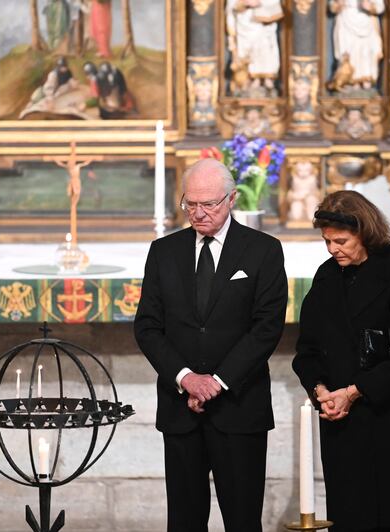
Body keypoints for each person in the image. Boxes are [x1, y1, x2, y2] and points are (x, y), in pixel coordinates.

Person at [134, 158, 288, 532]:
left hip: (239, 406)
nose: (199, 214)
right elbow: (148, 326)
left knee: (242, 519)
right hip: (181, 410)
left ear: (231, 199)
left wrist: (216, 382)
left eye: (209, 205)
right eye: (191, 204)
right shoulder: (164, 252)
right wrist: (187, 379)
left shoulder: (263, 250)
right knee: (184, 521)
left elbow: (266, 328)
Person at [292, 190, 390, 532]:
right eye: (327, 241)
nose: (332, 249)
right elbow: (307, 350)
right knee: (348, 517)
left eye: (340, 241)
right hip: (341, 420)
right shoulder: (325, 279)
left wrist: (355, 391)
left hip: (388, 418)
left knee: (389, 518)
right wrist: (320, 389)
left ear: (365, 233)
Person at [226, 0, 283, 94]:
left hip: (264, 20)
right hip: (244, 20)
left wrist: (260, 2)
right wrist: (243, 3)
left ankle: (266, 79)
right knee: (247, 49)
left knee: (265, 46)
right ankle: (249, 79)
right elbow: (231, 4)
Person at [328, 0, 385, 91]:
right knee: (348, 54)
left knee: (366, 52)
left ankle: (366, 81)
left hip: (366, 21)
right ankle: (350, 81)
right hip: (346, 22)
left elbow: (380, 7)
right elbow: (332, 6)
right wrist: (338, 5)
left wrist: (369, 6)